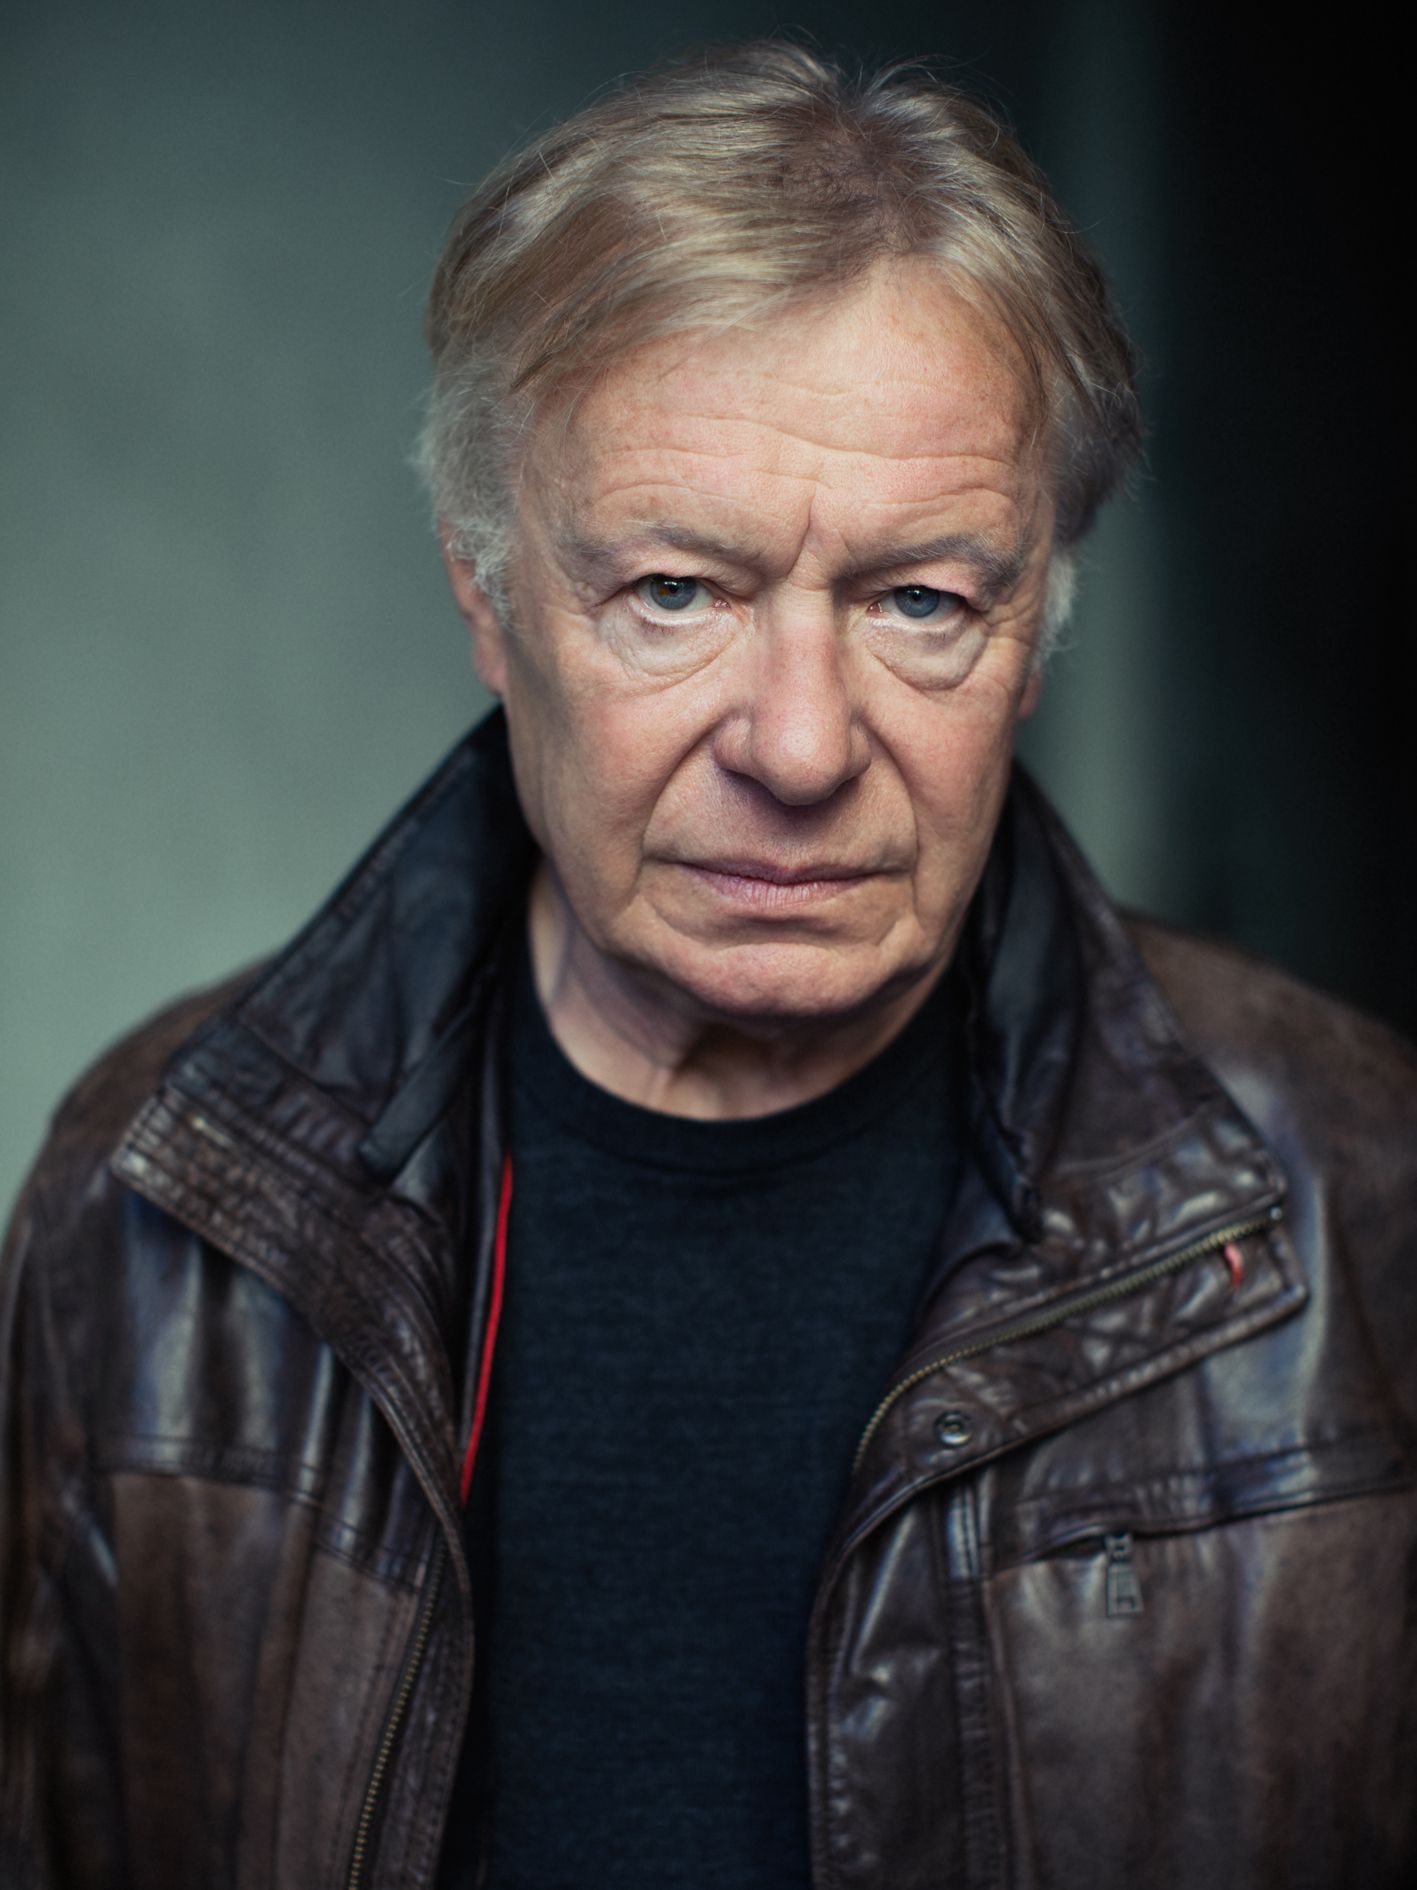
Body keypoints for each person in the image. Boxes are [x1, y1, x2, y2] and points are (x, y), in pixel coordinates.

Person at [2, 38, 1414, 1890]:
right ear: (488, 594)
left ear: (1036, 628)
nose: (801, 743)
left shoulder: (1358, 1196)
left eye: (921, 601)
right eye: (674, 591)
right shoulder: (154, 1206)